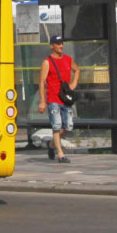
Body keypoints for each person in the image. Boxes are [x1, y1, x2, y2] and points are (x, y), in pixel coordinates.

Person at [38, 35, 79, 163]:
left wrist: (73, 84)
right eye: (58, 43)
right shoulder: (47, 62)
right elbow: (42, 82)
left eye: (62, 43)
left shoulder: (68, 59)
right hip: (53, 99)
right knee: (56, 126)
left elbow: (77, 70)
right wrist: (43, 101)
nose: (61, 46)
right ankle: (60, 154)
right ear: (52, 46)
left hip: (65, 98)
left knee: (67, 126)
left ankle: (51, 144)